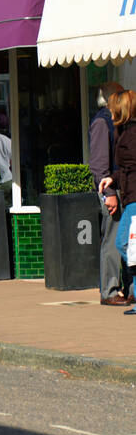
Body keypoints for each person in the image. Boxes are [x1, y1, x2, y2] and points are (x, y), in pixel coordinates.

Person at [89, 81, 131, 306]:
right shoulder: (101, 122)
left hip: (122, 189)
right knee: (114, 239)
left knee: (125, 239)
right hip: (111, 190)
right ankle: (109, 290)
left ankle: (127, 286)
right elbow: (99, 164)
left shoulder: (116, 121)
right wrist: (109, 192)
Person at [110, 89, 136, 315]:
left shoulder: (132, 134)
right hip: (130, 196)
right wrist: (114, 178)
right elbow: (127, 169)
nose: (109, 112)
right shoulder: (124, 132)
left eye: (112, 108)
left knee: (124, 244)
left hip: (135, 198)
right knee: (132, 248)